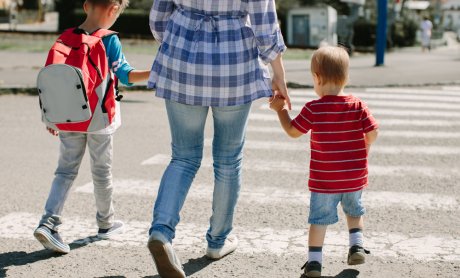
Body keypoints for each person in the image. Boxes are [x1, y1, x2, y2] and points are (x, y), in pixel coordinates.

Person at [147, 1, 290, 277]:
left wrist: (178, 41)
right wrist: (279, 73)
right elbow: (264, 22)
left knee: (183, 158)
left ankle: (161, 232)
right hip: (234, 63)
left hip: (182, 59)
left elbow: (158, 16)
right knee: (228, 160)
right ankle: (218, 240)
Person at [33, 0, 150, 254]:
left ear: (86, 6)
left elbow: (53, 80)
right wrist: (155, 72)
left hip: (68, 117)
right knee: (101, 173)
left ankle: (49, 222)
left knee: (64, 172)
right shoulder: (109, 40)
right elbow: (127, 76)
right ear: (114, 10)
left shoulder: (64, 38)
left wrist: (51, 118)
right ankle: (106, 223)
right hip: (99, 120)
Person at [269, 46, 379, 278]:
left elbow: (292, 131)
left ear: (317, 78)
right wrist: (365, 149)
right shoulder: (358, 105)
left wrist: (280, 110)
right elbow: (373, 133)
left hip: (324, 181)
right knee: (354, 212)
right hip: (354, 176)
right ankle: (356, 246)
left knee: (318, 220)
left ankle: (314, 263)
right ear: (346, 77)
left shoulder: (313, 108)